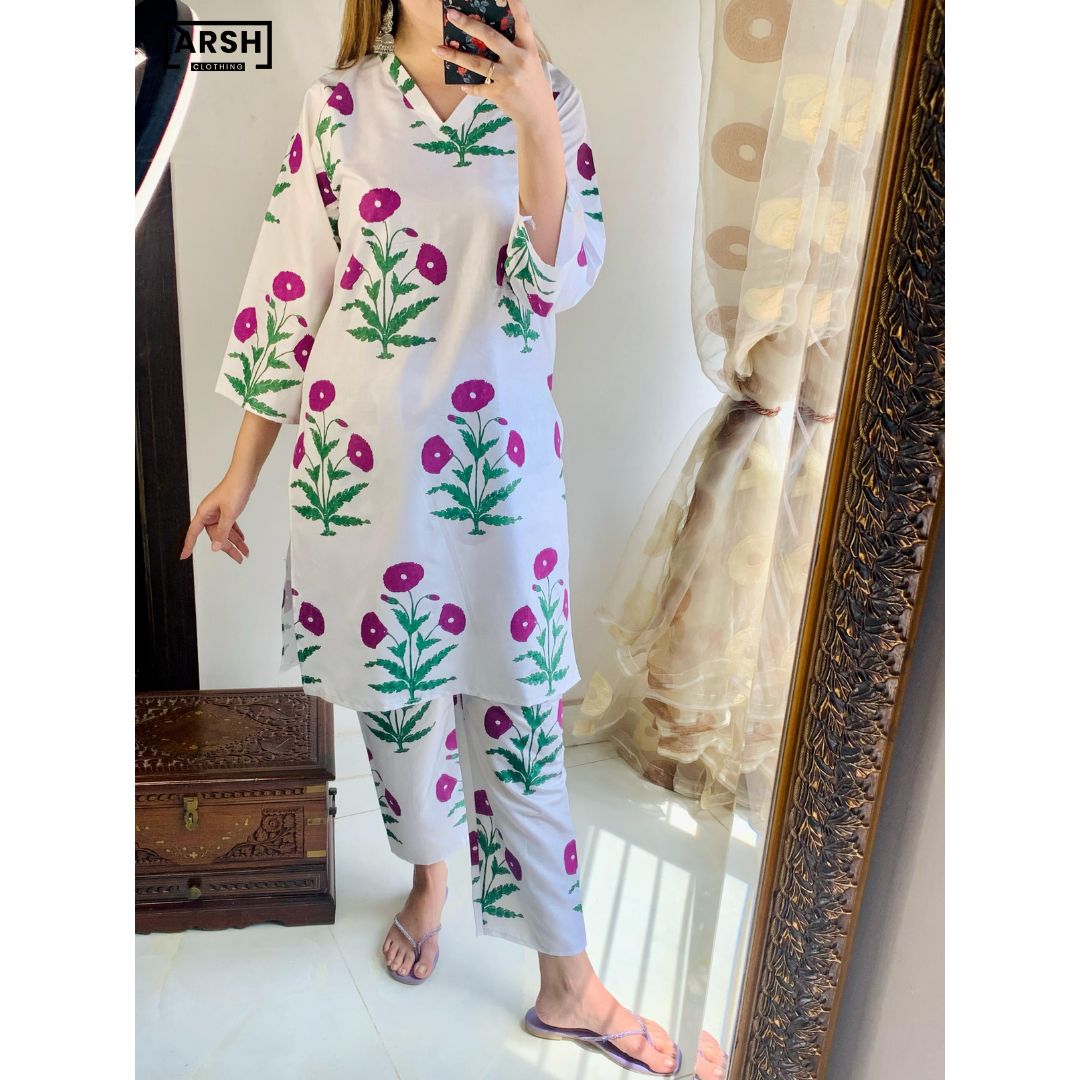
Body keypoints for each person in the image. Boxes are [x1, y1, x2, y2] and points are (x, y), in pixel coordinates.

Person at [181, 1, 684, 1075]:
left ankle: (568, 983)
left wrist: (536, 120)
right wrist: (240, 472)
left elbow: (558, 281)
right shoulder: (336, 107)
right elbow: (290, 294)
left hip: (501, 475)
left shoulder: (551, 99)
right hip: (362, 473)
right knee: (400, 707)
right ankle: (429, 879)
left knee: (522, 722)